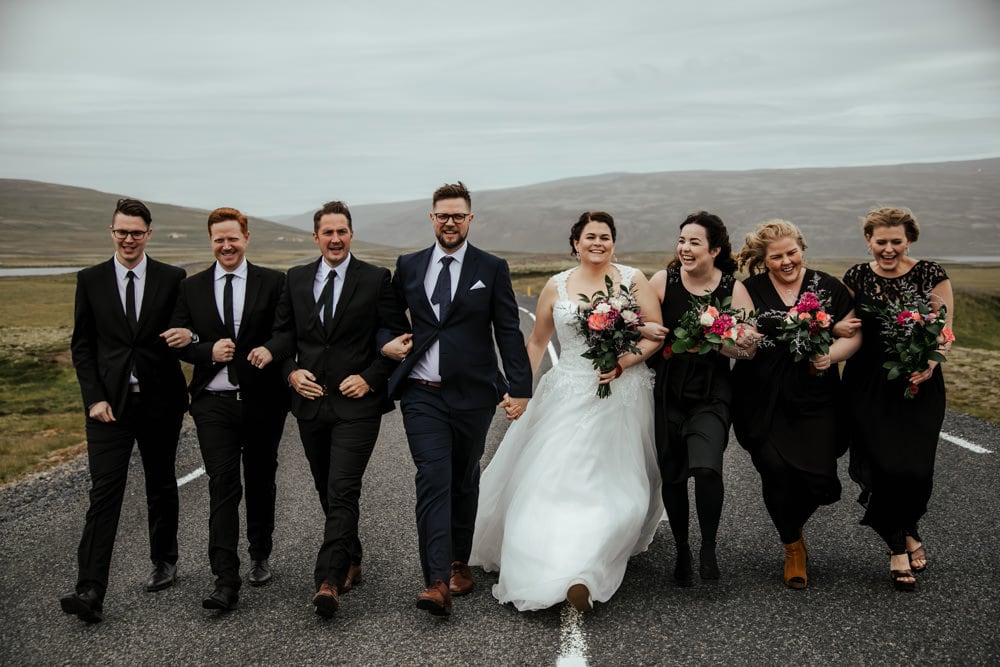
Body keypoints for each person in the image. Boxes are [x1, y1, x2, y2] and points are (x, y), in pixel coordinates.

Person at [468, 211, 664, 612]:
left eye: (605, 236)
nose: (598, 243)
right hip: (567, 392)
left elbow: (656, 335)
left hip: (622, 395)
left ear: (614, 242)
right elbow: (538, 342)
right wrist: (519, 390)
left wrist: (624, 361)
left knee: (618, 488)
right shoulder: (556, 285)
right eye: (590, 236)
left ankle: (586, 571)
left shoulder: (632, 280)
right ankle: (548, 566)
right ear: (575, 242)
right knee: (549, 482)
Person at [380, 181, 532, 617]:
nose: (450, 222)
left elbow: (507, 329)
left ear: (470, 219)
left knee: (464, 478)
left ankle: (459, 559)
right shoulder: (408, 266)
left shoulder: (491, 266)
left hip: (473, 394)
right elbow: (388, 320)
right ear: (431, 218)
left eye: (458, 215)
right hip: (422, 393)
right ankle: (437, 581)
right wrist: (387, 344)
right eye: (442, 215)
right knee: (433, 477)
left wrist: (519, 387)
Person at [267, 201, 410, 617]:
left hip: (358, 406)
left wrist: (370, 376)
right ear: (316, 237)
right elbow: (283, 336)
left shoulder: (374, 278)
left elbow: (396, 337)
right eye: (327, 232)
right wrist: (291, 373)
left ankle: (328, 580)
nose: (335, 239)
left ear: (351, 234)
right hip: (310, 405)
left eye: (342, 231)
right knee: (326, 488)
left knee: (343, 488)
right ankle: (352, 555)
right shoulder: (294, 279)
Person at [60, 198, 188, 624]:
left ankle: (164, 560)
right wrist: (93, 398)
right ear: (111, 232)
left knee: (160, 483)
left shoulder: (172, 278)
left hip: (160, 402)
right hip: (107, 408)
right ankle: (90, 588)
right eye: (121, 232)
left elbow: (187, 327)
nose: (128, 239)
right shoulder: (90, 279)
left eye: (136, 232)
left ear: (148, 233)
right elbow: (83, 346)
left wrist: (188, 333)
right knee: (104, 493)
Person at [165, 207, 290, 611]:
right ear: (211, 241)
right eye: (218, 239)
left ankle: (259, 552)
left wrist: (270, 350)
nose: (226, 245)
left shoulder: (273, 282)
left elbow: (286, 332)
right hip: (212, 402)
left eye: (232, 238)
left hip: (262, 401)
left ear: (246, 238)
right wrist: (208, 351)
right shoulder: (191, 287)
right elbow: (180, 339)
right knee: (222, 485)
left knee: (259, 478)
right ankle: (225, 577)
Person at [731, 219, 861, 589]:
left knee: (821, 479)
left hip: (815, 391)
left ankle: (792, 521)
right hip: (761, 392)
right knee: (774, 469)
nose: (786, 261)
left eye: (792, 253)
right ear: (763, 258)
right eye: (777, 256)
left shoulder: (827, 286)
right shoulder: (749, 288)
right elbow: (743, 335)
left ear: (802, 249)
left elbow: (853, 333)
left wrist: (831, 355)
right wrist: (739, 339)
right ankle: (792, 546)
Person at [836, 207, 953, 591]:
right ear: (868, 240)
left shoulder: (931, 275)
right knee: (886, 467)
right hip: (869, 385)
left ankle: (909, 528)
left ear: (909, 240)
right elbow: (846, 324)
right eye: (880, 242)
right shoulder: (855, 276)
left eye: (896, 242)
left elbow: (944, 332)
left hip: (919, 383)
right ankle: (897, 550)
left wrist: (932, 364)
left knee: (916, 470)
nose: (888, 249)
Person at [642, 212, 756, 586]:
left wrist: (725, 343)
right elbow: (643, 326)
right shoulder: (663, 281)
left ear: (715, 249)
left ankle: (708, 546)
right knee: (673, 475)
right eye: (682, 241)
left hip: (712, 391)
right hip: (667, 390)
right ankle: (682, 550)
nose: (685, 249)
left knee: (707, 469)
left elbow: (749, 349)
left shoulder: (733, 289)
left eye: (694, 242)